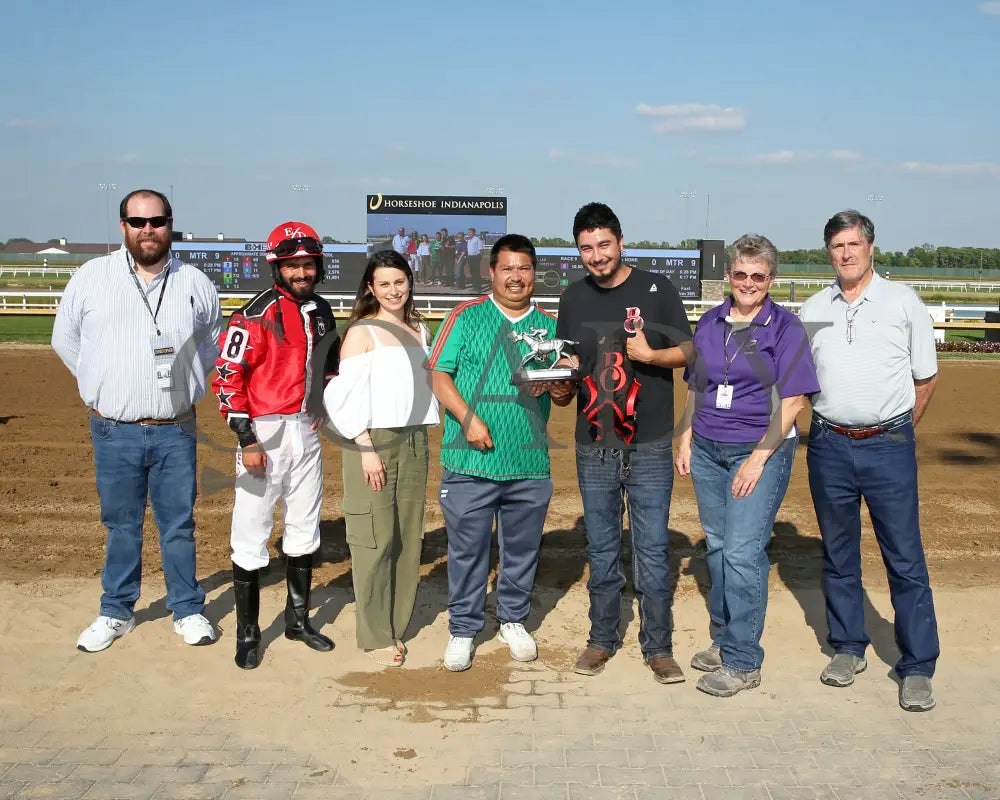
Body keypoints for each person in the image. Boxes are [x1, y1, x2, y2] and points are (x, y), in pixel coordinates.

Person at [52, 188, 223, 652]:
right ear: (123, 226)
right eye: (138, 221)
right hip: (114, 429)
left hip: (175, 429)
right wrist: (102, 383)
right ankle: (116, 611)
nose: (148, 229)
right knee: (122, 525)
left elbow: (211, 344)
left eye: (157, 220)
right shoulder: (91, 278)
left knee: (178, 524)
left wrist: (184, 385)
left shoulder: (196, 284)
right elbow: (65, 341)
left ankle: (187, 609)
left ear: (171, 224)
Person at [799, 209, 940, 712]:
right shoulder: (814, 307)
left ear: (871, 247)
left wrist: (894, 431)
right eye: (837, 246)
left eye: (853, 244)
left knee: (904, 558)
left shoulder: (904, 303)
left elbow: (925, 379)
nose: (846, 254)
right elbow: (796, 384)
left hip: (888, 446)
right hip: (829, 444)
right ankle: (847, 646)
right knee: (839, 555)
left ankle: (918, 664)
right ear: (829, 252)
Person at [551, 202, 693, 684]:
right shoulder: (572, 299)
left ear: (620, 241)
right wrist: (559, 384)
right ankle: (602, 638)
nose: (596, 255)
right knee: (602, 546)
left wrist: (653, 354)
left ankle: (658, 646)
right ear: (579, 250)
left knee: (652, 548)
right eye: (587, 248)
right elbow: (567, 370)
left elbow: (690, 350)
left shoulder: (656, 288)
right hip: (593, 444)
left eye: (603, 245)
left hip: (650, 443)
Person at [675, 234, 820, 697]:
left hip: (759, 451)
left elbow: (795, 399)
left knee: (741, 552)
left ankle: (742, 662)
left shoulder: (785, 327)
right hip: (709, 450)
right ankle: (724, 638)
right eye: (741, 274)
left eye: (759, 276)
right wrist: (685, 436)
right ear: (729, 277)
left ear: (771, 280)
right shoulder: (711, 322)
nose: (749, 283)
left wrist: (758, 458)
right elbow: (697, 386)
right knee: (717, 547)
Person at [427, 233, 566, 671]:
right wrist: (468, 418)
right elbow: (438, 375)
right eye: (507, 268)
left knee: (521, 551)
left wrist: (560, 386)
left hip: (527, 461)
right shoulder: (465, 317)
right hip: (470, 461)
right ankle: (464, 629)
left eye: (523, 268)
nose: (515, 277)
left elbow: (561, 394)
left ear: (533, 273)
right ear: (492, 273)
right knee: (468, 550)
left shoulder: (550, 325)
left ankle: (512, 619)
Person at [213, 221, 340, 669]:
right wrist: (246, 438)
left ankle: (297, 620)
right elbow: (227, 379)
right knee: (252, 531)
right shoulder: (252, 313)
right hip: (262, 431)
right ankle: (248, 634)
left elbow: (330, 369)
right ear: (277, 267)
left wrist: (323, 401)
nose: (301, 272)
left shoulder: (323, 310)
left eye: (308, 264)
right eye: (292, 265)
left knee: (305, 526)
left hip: (305, 430)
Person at [324, 250, 439, 666]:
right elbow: (344, 397)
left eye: (400, 281)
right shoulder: (361, 332)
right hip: (372, 443)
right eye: (384, 283)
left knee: (408, 537)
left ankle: (396, 622)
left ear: (410, 281)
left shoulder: (419, 327)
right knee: (375, 538)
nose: (394, 290)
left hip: (415, 442)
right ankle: (375, 634)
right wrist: (365, 449)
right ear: (371, 288)